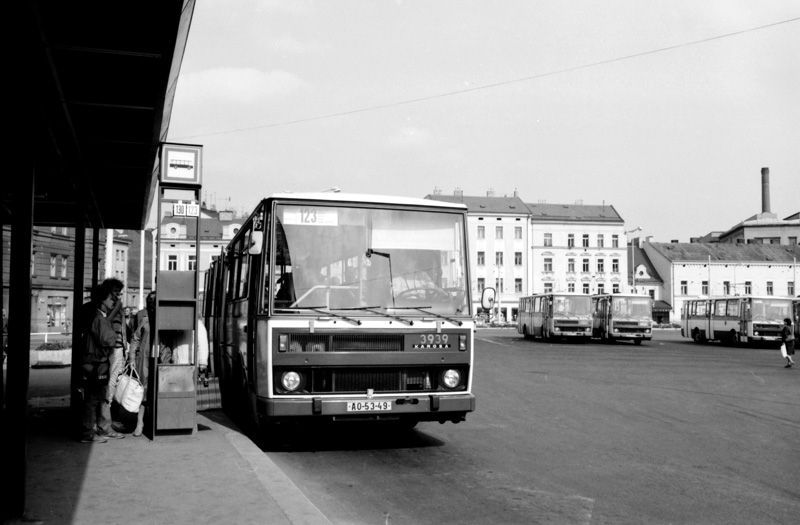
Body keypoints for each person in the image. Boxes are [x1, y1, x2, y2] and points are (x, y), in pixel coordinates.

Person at [80, 281, 126, 442]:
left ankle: (95, 429)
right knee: (93, 398)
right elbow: (108, 339)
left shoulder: (98, 316)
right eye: (111, 297)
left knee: (96, 397)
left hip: (94, 361)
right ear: (103, 299)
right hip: (95, 362)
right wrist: (115, 336)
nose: (114, 301)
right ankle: (88, 433)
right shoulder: (99, 318)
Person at [127, 291, 155, 436]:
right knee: (142, 393)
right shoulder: (145, 320)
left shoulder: (165, 319)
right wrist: (132, 358)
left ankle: (154, 422)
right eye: (149, 302)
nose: (151, 305)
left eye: (154, 302)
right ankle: (140, 423)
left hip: (160, 360)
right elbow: (135, 339)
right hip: (144, 361)